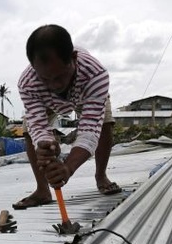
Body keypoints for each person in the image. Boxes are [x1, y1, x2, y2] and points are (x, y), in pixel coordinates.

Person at [12, 24, 120, 210]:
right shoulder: (28, 83)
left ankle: (101, 176)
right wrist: (47, 145)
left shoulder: (96, 74)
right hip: (46, 102)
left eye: (60, 76)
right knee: (30, 131)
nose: (55, 86)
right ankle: (42, 190)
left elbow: (89, 130)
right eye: (45, 79)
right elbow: (38, 125)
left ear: (73, 58)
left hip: (85, 92)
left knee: (105, 123)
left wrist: (68, 168)